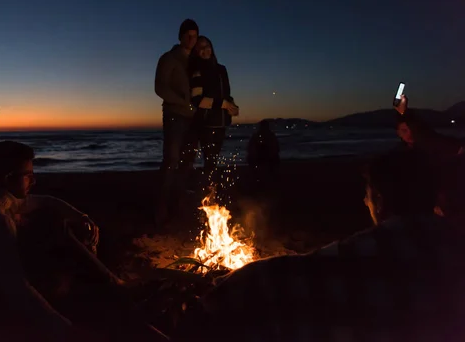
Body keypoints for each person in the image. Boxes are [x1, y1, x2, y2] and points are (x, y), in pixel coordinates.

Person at [173, 152, 465, 341]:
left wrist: (219, 289)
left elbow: (282, 279)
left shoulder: (363, 257)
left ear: (379, 199)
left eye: (367, 195)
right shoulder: (452, 245)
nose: (365, 203)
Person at [0, 141, 168, 341]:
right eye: (28, 175)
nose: (33, 181)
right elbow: (17, 288)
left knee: (55, 222)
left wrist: (82, 217)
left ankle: (112, 286)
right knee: (61, 255)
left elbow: (45, 201)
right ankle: (111, 296)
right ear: (8, 178)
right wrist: (67, 332)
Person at [154, 19, 199, 225]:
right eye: (188, 35)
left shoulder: (197, 60)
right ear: (180, 36)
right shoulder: (169, 58)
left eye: (194, 36)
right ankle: (161, 206)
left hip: (194, 119)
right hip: (174, 115)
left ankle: (178, 204)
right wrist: (183, 102)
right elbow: (160, 88)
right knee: (171, 160)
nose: (191, 39)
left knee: (188, 162)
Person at [394, 94, 464, 219]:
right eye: (404, 131)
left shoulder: (429, 148)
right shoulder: (401, 155)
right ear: (398, 133)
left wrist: (406, 113)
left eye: (410, 129)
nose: (409, 134)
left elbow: (432, 139)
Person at [184, 36, 239, 192]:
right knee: (210, 160)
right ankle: (208, 195)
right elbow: (197, 100)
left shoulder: (222, 69)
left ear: (212, 47)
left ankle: (210, 193)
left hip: (221, 122)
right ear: (196, 52)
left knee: (213, 161)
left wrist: (232, 105)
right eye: (200, 48)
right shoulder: (197, 72)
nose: (204, 50)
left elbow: (226, 94)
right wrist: (223, 104)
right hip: (206, 124)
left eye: (207, 45)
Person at [246, 119, 280, 192]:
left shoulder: (269, 136)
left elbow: (276, 148)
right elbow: (250, 148)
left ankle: (265, 181)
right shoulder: (258, 136)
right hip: (260, 157)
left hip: (267, 157)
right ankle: (260, 180)